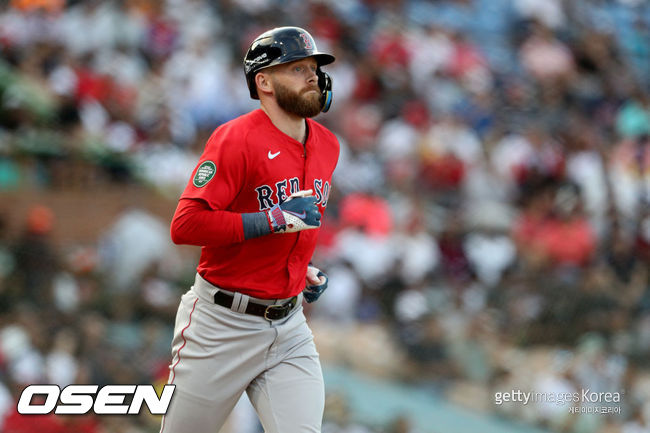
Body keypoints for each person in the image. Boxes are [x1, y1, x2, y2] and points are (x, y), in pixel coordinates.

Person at [160, 27, 339, 433]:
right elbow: (186, 224)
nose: (312, 76)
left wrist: (299, 267)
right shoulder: (235, 139)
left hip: (289, 326)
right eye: (296, 68)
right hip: (220, 325)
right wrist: (271, 220)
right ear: (264, 82)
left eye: (313, 68)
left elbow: (297, 221)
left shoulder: (329, 145)